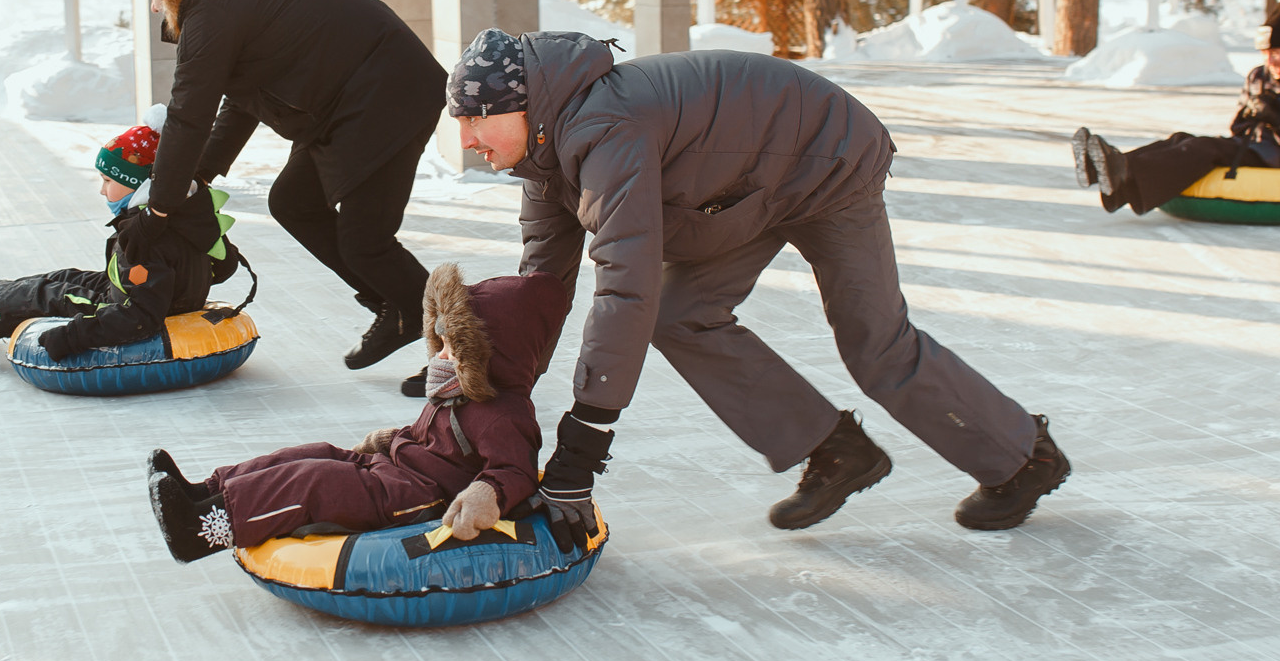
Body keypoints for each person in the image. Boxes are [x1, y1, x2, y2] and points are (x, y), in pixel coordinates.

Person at [449, 27, 1073, 535]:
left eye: (476, 118)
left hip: (829, 159)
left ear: (524, 105)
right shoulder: (545, 161)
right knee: (677, 314)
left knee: (874, 341)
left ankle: (1026, 457)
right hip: (743, 185)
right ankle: (837, 450)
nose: (466, 138)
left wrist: (582, 445)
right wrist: (491, 391)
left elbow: (625, 282)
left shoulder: (607, 130)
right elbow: (539, 295)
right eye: (459, 120)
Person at [132, 0, 447, 383]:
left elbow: (188, 112)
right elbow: (242, 98)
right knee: (293, 202)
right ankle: (398, 305)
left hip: (387, 96)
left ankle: (464, 350)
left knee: (366, 242)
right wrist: (197, 174)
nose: (156, 7)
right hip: (349, 101)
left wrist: (160, 207)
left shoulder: (214, 7)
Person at [146, 263, 571, 562]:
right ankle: (205, 492)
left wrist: (485, 494)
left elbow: (514, 470)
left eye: (453, 348)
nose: (440, 355)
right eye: (440, 343)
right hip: (393, 469)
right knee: (315, 453)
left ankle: (204, 529)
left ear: (493, 356)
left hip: (414, 498)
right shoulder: (456, 391)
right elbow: (431, 437)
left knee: (316, 480)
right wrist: (389, 440)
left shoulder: (505, 415)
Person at [0, 108, 247, 359]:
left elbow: (140, 317)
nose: (102, 190)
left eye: (108, 181)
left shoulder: (145, 237)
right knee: (60, 277)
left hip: (129, 307)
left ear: (138, 185)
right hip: (162, 296)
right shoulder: (188, 213)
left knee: (33, 295)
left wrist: (73, 336)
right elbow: (223, 267)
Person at [1072, 1, 1280, 215]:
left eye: (1276, 53)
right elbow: (1238, 128)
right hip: (1256, 147)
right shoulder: (1259, 76)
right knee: (1180, 140)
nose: (1270, 61)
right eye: (1265, 53)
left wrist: (1279, 121)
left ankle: (1121, 170)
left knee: (1204, 148)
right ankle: (1106, 171)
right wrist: (1250, 113)